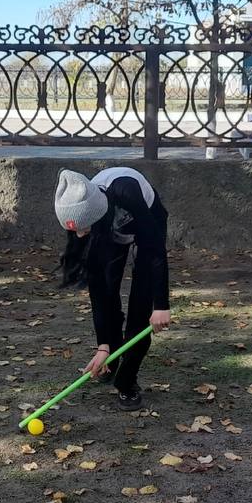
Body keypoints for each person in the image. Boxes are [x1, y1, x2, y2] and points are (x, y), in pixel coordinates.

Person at [55, 167, 171, 411]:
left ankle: (127, 382)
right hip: (107, 229)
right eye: (74, 230)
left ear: (94, 215)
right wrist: (103, 346)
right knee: (107, 291)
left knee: (140, 308)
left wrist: (161, 305)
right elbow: (99, 293)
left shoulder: (126, 191)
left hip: (146, 224)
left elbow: (156, 252)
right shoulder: (86, 224)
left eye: (83, 228)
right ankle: (112, 358)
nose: (79, 234)